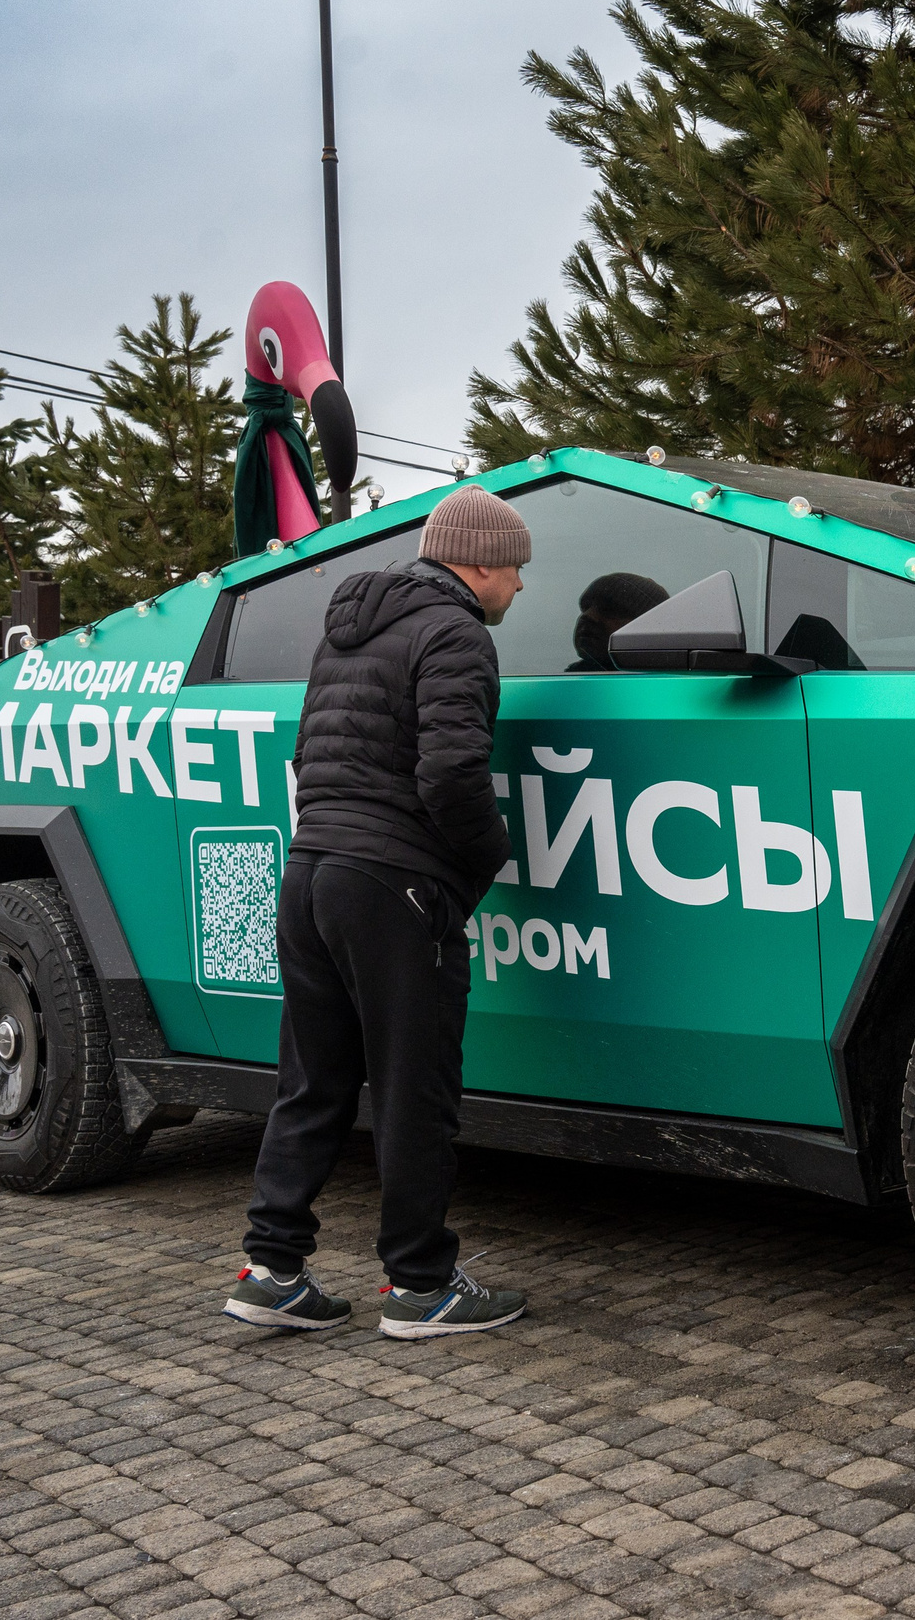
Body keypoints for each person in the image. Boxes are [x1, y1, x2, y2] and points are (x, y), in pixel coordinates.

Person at [225, 484, 534, 1339]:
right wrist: (483, 859)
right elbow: (450, 776)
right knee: (414, 1088)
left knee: (312, 1078)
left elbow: (304, 754)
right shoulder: (456, 633)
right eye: (515, 569)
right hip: (392, 883)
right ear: (477, 562)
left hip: (312, 870)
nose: (520, 587)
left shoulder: (345, 629)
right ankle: (422, 1287)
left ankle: (272, 1268)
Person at [566, 571, 670, 670]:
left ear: (649, 630)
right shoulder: (567, 682)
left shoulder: (670, 685)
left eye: (609, 609)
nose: (587, 616)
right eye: (585, 608)